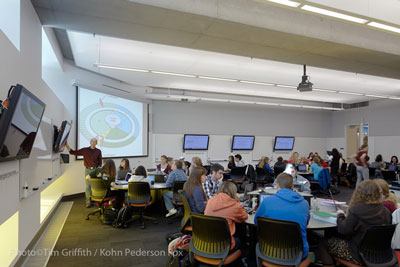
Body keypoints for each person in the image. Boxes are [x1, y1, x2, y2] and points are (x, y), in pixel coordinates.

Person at [317, 180, 391, 265]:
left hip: (358, 255)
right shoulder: (386, 211)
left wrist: (340, 216)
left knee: (323, 242)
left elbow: (342, 230)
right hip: (381, 254)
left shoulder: (356, 210)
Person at [255, 173, 310, 261]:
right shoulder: (304, 204)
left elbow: (257, 222)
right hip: (297, 253)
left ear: (277, 185)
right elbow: (306, 224)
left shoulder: (266, 202)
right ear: (292, 186)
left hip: (270, 250)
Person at [205, 182, 248, 253]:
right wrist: (237, 201)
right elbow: (244, 217)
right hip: (224, 246)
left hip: (207, 242)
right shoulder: (234, 205)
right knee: (240, 240)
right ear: (234, 192)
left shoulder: (210, 201)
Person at [66, 138, 102, 208]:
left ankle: (94, 199)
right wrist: (66, 145)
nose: (93, 142)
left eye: (95, 142)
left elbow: (100, 160)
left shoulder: (98, 151)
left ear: (96, 143)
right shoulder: (85, 150)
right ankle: (88, 202)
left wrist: (99, 167)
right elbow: (73, 152)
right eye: (92, 141)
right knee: (88, 186)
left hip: (95, 170)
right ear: (90, 142)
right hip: (88, 170)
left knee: (94, 185)